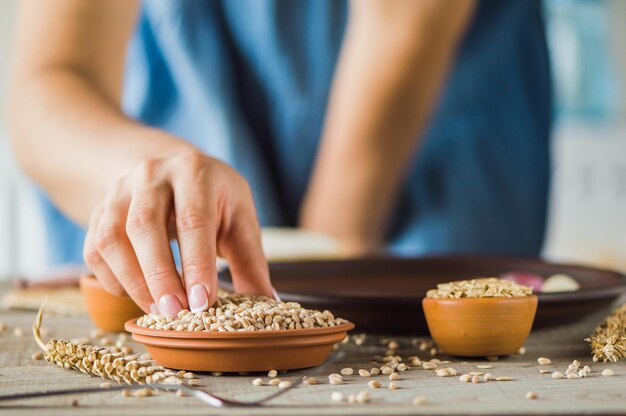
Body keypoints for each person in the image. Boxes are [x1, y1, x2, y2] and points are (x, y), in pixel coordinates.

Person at [8, 0, 552, 316]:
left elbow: (407, 21)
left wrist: (320, 270)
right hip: (185, 96)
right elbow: (50, 78)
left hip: (430, 124)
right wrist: (156, 176)